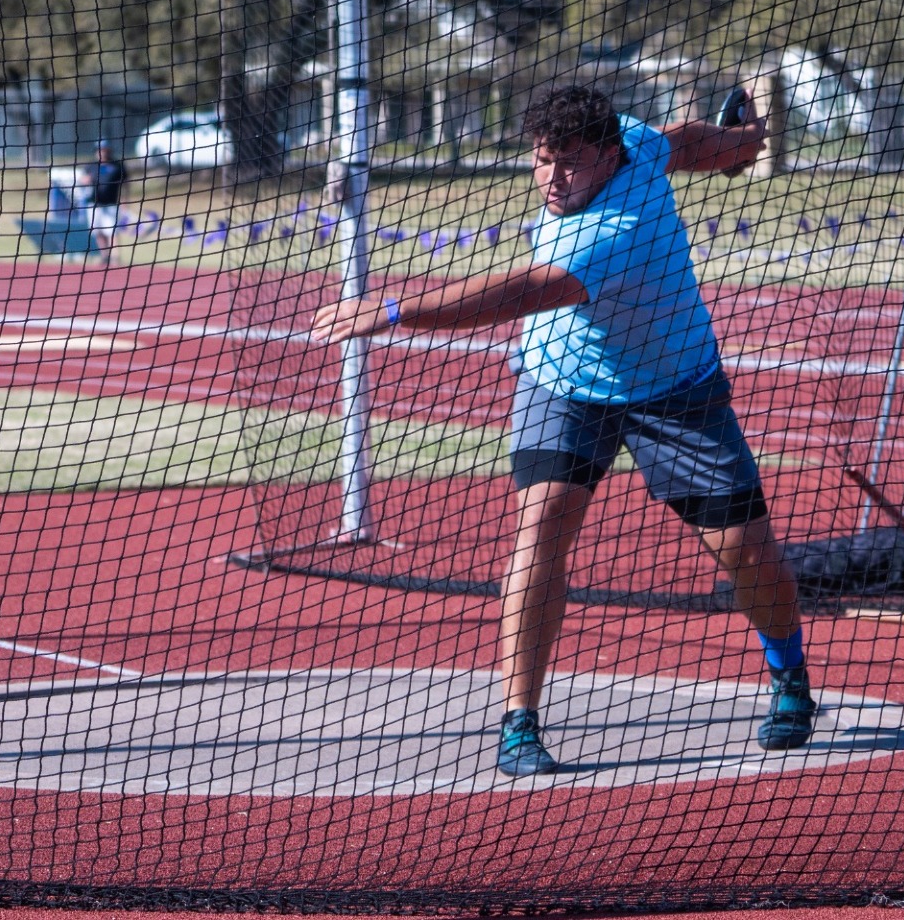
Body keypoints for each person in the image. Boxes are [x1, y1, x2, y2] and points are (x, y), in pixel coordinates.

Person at [310, 85, 813, 776]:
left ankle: (789, 674)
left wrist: (396, 311)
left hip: (674, 386)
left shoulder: (611, 229)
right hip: (562, 381)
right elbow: (681, 142)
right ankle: (520, 722)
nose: (551, 177)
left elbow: (524, 289)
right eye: (542, 160)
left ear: (609, 155)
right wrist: (740, 147)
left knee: (744, 551)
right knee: (542, 523)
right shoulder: (628, 145)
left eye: (569, 163)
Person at [85, 140, 128, 263]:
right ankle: (105, 256)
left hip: (111, 204)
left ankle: (115, 257)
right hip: (94, 204)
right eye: (99, 150)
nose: (101, 153)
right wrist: (86, 180)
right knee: (97, 231)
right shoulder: (91, 166)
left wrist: (125, 200)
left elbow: (125, 184)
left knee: (112, 231)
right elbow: (84, 179)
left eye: (104, 150)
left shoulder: (117, 166)